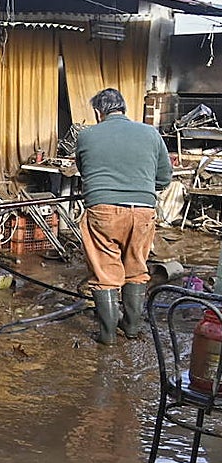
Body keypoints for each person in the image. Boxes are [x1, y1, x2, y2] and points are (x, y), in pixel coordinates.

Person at [75, 87, 172, 344]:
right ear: (124, 108)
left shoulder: (87, 136)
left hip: (102, 210)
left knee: (105, 273)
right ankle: (130, 327)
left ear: (99, 112)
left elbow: (84, 172)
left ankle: (106, 336)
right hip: (143, 212)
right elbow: (164, 178)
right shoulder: (151, 133)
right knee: (136, 269)